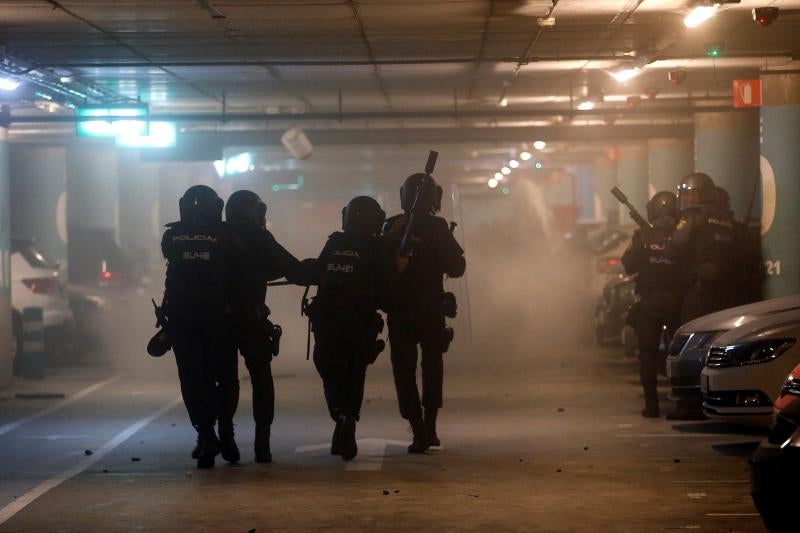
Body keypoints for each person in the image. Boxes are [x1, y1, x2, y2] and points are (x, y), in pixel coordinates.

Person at [220, 189, 310, 463]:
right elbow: (291, 267)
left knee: (225, 381)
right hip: (251, 318)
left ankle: (225, 435)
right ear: (253, 211)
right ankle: (262, 443)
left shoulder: (217, 235)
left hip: (219, 322)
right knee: (261, 379)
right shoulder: (259, 237)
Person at [383, 172, 466, 453]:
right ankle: (429, 427)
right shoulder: (438, 227)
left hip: (400, 312)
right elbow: (457, 268)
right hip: (430, 310)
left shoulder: (392, 226)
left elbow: (377, 265)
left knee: (403, 372)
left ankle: (418, 429)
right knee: (432, 369)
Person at [160, 185, 242, 469]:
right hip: (220, 320)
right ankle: (226, 431)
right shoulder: (227, 236)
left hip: (182, 321)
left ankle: (206, 435)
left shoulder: (171, 236)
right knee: (226, 378)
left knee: (193, 380)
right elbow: (241, 271)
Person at [308, 196, 388, 461]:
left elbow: (317, 272)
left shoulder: (334, 242)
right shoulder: (377, 248)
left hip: (327, 322)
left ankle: (341, 417)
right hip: (360, 324)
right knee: (355, 374)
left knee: (331, 376)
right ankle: (348, 418)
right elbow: (387, 286)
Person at [621, 191, 684, 417]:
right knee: (680, 353)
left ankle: (652, 405)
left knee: (646, 353)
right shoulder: (682, 235)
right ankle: (683, 403)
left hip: (649, 303)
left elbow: (628, 265)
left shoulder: (643, 236)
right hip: (677, 302)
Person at [673, 174, 740, 324]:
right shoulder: (728, 219)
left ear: (701, 194)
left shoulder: (694, 216)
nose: (685, 198)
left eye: (689, 193)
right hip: (728, 290)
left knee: (690, 333)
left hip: (701, 289)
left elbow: (677, 244)